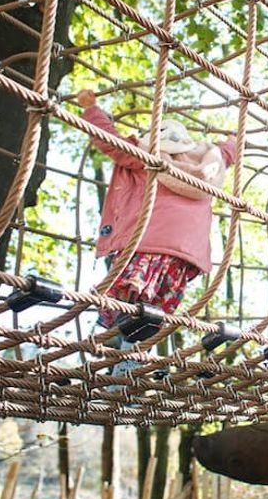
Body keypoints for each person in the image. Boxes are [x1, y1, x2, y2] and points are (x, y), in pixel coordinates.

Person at [77, 89, 234, 336]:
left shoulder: (145, 155)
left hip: (147, 243)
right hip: (185, 251)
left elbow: (109, 140)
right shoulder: (208, 161)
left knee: (127, 296)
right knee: (155, 307)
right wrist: (233, 141)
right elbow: (225, 153)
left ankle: (120, 342)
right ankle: (134, 349)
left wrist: (91, 109)